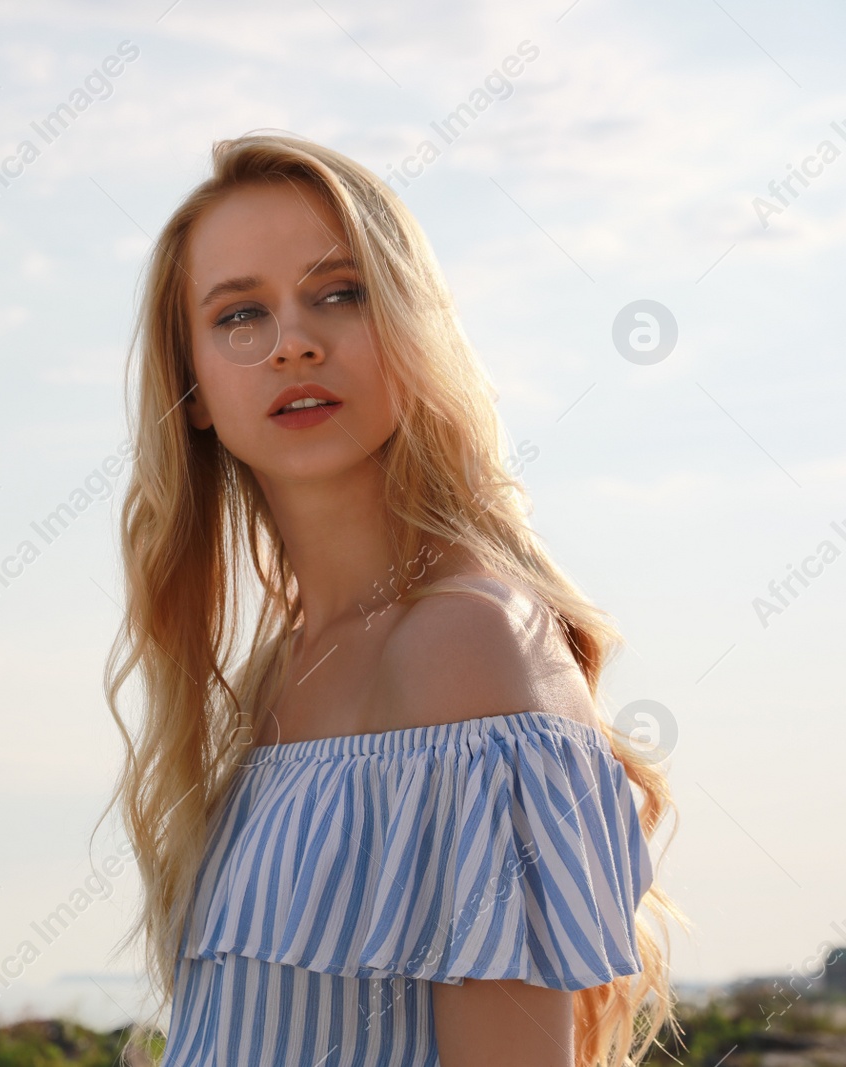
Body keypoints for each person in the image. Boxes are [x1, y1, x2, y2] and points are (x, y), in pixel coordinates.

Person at [101, 131, 678, 1066]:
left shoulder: (467, 644)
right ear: (194, 388)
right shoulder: (276, 674)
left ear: (412, 329)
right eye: (240, 315)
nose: (293, 341)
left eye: (340, 294)